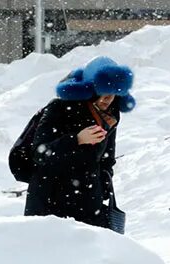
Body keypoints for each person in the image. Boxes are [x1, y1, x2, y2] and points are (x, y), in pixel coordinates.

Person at [24, 56, 136, 229]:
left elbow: (106, 159)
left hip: (89, 203)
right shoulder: (60, 108)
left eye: (112, 93)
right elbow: (40, 153)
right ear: (89, 90)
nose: (107, 99)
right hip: (50, 200)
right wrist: (77, 139)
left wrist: (102, 187)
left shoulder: (111, 115)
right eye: (102, 92)